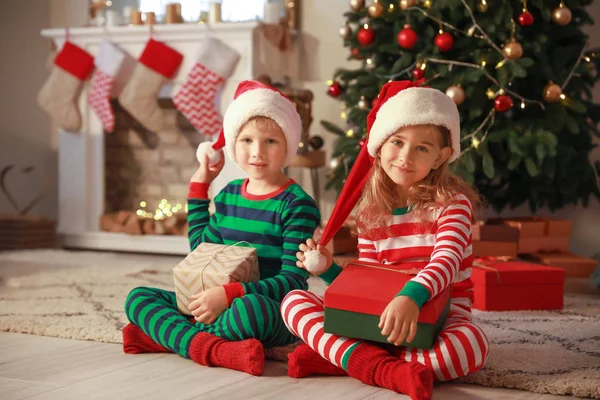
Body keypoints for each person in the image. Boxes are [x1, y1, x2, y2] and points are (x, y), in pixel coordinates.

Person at [281, 80, 489, 400]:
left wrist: (411, 297)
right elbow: (366, 285)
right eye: (397, 142)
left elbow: (445, 262)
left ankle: (346, 359)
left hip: (439, 318)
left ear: (440, 157)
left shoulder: (452, 205)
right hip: (381, 320)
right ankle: (383, 366)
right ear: (380, 144)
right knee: (293, 302)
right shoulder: (373, 212)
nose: (405, 156)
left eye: (422, 147)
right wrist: (327, 270)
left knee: (470, 347)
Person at [122, 80, 320, 376]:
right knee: (137, 298)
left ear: (288, 146)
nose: (257, 152)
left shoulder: (296, 205)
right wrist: (200, 184)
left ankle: (174, 337)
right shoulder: (228, 194)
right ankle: (220, 348)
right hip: (215, 300)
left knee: (249, 310)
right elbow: (202, 251)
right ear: (233, 144)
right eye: (247, 140)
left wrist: (231, 294)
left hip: (265, 307)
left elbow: (292, 280)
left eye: (271, 141)